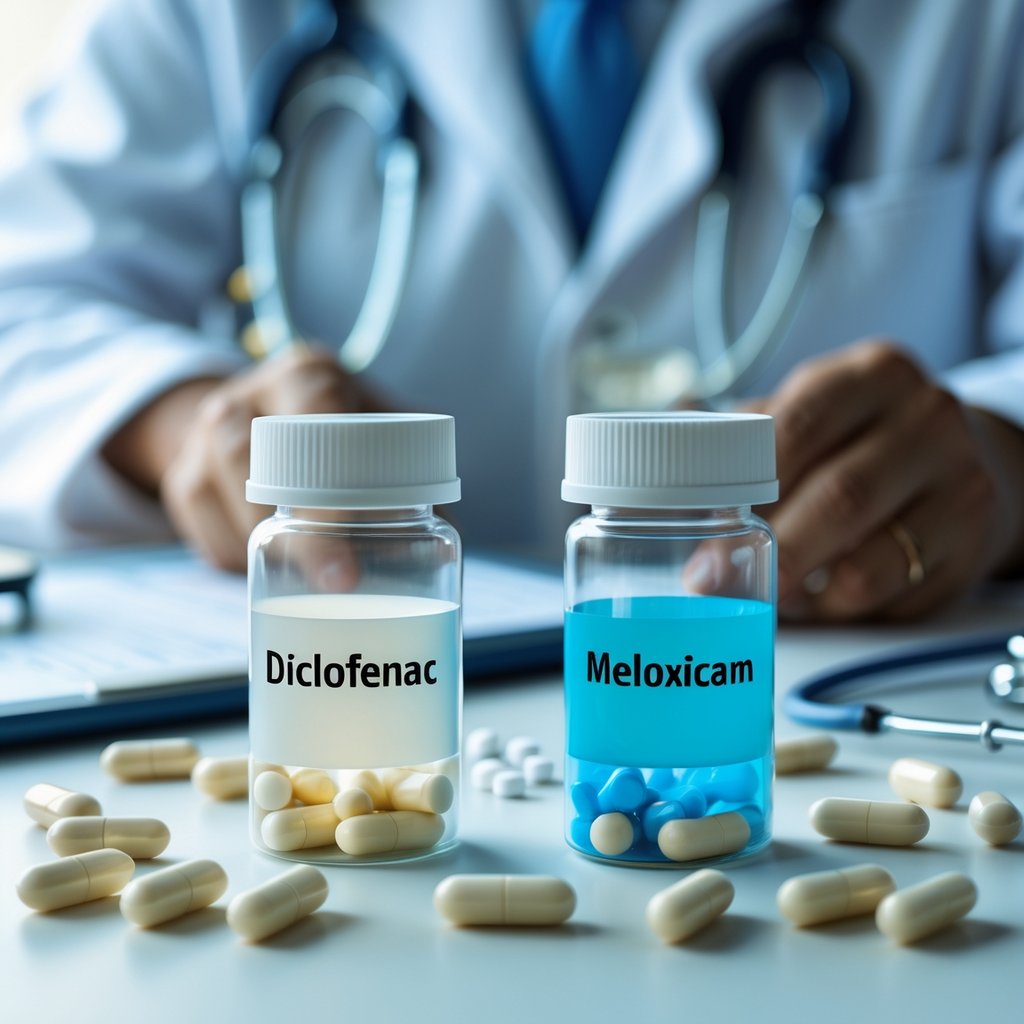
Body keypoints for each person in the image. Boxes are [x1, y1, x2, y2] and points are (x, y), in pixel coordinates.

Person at [0, 0, 1022, 624]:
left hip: (827, 691)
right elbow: (26, 300)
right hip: (354, 656)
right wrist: (189, 426)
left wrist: (997, 454)